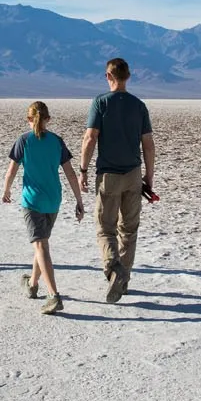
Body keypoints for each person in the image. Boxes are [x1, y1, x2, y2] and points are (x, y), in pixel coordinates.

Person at [79, 57, 156, 303]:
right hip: (133, 175)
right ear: (128, 77)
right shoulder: (139, 105)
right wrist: (148, 177)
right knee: (129, 230)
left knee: (105, 228)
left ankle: (115, 270)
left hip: (108, 176)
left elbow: (90, 138)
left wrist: (83, 170)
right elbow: (149, 145)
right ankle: (123, 280)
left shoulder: (100, 103)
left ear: (108, 76)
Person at [2, 101, 84, 315]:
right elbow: (70, 174)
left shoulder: (24, 140)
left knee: (41, 247)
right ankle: (32, 284)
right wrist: (79, 200)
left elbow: (11, 170)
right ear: (48, 119)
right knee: (42, 243)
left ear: (29, 119)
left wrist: (6, 190)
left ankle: (53, 295)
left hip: (32, 201)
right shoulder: (57, 141)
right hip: (53, 201)